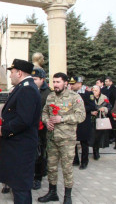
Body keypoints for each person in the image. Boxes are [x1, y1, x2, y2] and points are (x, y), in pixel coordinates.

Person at [0, 59, 41, 204]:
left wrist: (4, 129)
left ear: (19, 73)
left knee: (20, 189)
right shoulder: (24, 87)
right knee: (18, 187)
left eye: (12, 72)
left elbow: (24, 120)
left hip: (21, 148)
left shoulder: (27, 89)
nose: (10, 76)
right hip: (17, 147)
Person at [38, 73, 85, 204]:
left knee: (67, 168)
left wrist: (62, 119)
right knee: (51, 167)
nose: (55, 84)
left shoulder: (75, 97)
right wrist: (47, 121)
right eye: (54, 82)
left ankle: (67, 196)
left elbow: (81, 116)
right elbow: (44, 112)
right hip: (52, 138)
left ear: (65, 83)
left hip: (67, 140)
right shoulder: (50, 96)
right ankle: (52, 193)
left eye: (58, 82)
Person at [31, 67, 52, 190]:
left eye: (35, 79)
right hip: (31, 127)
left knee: (39, 153)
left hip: (42, 128)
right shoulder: (30, 89)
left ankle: (38, 177)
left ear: (42, 80)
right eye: (32, 79)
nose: (33, 81)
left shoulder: (48, 93)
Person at [69, 76, 95, 170]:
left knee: (84, 142)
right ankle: (75, 160)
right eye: (70, 84)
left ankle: (84, 161)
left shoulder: (87, 93)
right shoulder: (70, 94)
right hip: (73, 121)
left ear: (79, 84)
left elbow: (92, 106)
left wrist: (80, 110)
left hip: (84, 122)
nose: (71, 85)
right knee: (73, 141)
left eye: (73, 84)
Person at [89, 85, 111, 160]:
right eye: (93, 90)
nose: (94, 92)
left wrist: (104, 109)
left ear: (99, 91)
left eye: (96, 91)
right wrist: (91, 112)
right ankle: (94, 151)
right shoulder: (90, 97)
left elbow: (109, 107)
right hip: (92, 120)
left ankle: (97, 150)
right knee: (93, 136)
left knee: (99, 136)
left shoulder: (104, 97)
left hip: (101, 119)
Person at [103, 77, 116, 144]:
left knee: (112, 124)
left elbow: (115, 99)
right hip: (106, 108)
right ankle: (108, 137)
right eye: (105, 81)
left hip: (112, 108)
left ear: (111, 82)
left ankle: (113, 137)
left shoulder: (114, 89)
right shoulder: (104, 88)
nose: (106, 83)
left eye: (107, 81)